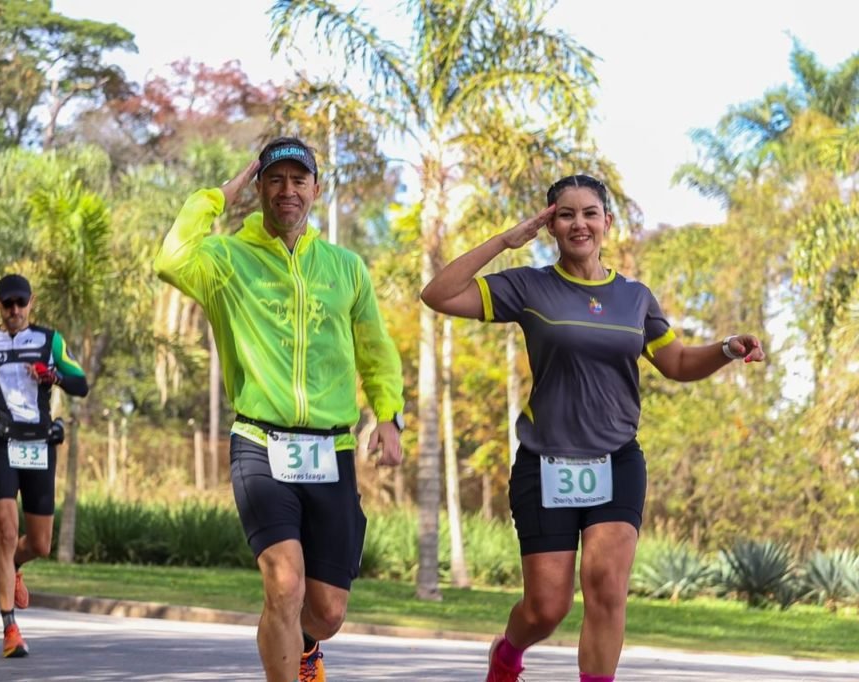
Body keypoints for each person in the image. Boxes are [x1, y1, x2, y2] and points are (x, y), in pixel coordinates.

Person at [420, 174, 765, 682]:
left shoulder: (634, 297)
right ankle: (509, 651)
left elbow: (677, 362)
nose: (578, 223)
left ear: (607, 221)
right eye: (565, 214)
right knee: (546, 609)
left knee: (606, 586)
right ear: (551, 225)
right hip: (547, 462)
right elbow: (439, 294)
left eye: (589, 213)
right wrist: (506, 241)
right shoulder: (531, 285)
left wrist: (726, 349)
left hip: (617, 459)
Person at [153, 137, 405, 682]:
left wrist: (388, 414)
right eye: (275, 180)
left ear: (316, 189)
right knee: (284, 585)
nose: (287, 191)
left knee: (328, 612)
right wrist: (215, 198)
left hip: (331, 449)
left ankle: (310, 647)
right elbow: (170, 258)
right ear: (259, 188)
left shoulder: (345, 267)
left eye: (298, 180)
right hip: (260, 445)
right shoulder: (225, 261)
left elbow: (376, 348)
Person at [0, 273, 89, 658]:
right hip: (0, 442)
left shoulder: (49, 341)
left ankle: (6, 563)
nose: (14, 311)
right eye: (8, 304)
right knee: (7, 531)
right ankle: (10, 629)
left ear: (31, 303)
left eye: (21, 303)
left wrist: (54, 375)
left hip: (39, 443)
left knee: (40, 543)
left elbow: (81, 384)